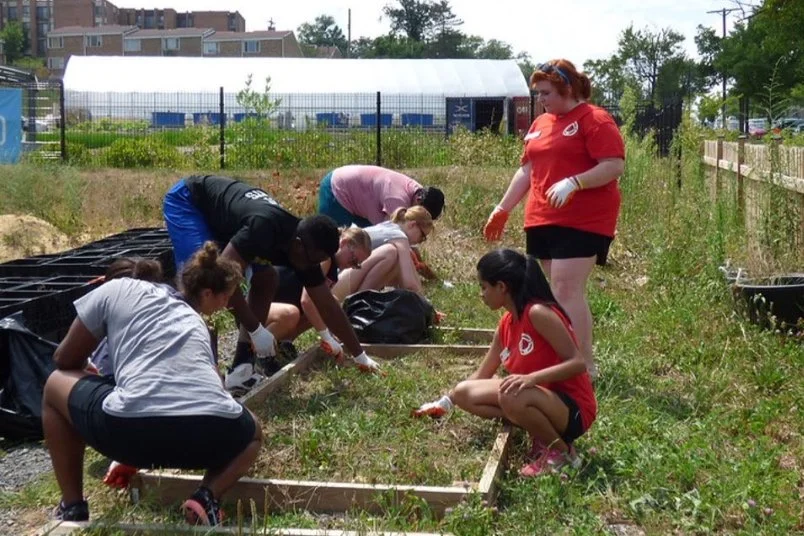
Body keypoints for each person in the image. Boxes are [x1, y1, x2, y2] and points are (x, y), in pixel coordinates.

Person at [42, 242, 262, 526]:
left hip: (124, 430)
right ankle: (207, 496)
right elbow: (212, 387)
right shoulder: (191, 318)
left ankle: (72, 507)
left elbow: (64, 358)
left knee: (53, 385)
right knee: (253, 432)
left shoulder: (112, 291)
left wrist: (88, 371)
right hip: (209, 435)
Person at [163, 175, 381, 394]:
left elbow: (327, 305)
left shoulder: (307, 250)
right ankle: (192, 375)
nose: (310, 267)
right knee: (203, 286)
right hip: (190, 201)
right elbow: (223, 277)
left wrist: (360, 355)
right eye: (310, 261)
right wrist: (256, 329)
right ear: (297, 245)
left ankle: (241, 368)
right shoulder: (263, 228)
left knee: (267, 278)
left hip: (228, 220)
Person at [483, 59, 625, 376]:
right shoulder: (540, 124)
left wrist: (576, 182)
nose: (542, 100)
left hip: (584, 219)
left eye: (546, 93)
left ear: (568, 89)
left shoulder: (595, 119)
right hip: (542, 218)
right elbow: (527, 169)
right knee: (554, 289)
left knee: (565, 287)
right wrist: (502, 208)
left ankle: (584, 365)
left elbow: (613, 165)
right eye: (539, 94)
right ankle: (563, 358)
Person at [414, 249, 596, 477]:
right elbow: (484, 372)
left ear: (501, 287)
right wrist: (445, 402)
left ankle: (562, 453)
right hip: (535, 397)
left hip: (573, 409)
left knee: (512, 394)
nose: (481, 294)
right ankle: (537, 429)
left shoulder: (538, 313)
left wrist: (532, 379)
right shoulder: (507, 322)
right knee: (464, 393)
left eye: (484, 287)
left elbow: (578, 363)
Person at [267, 226, 371, 358]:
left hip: (282, 308)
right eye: (353, 259)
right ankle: (258, 352)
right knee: (294, 313)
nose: (352, 265)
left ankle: (284, 341)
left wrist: (336, 336)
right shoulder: (325, 258)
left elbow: (325, 304)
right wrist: (326, 337)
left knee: (329, 303)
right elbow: (307, 300)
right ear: (344, 242)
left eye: (357, 265)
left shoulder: (333, 271)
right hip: (264, 309)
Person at [329, 206, 433, 301]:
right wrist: (424, 304)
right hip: (335, 284)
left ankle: (360, 302)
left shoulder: (389, 227)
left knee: (395, 259)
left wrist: (423, 299)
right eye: (422, 236)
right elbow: (409, 282)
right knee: (390, 253)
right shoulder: (399, 236)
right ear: (412, 225)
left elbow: (410, 275)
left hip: (337, 282)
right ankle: (359, 303)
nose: (421, 241)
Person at [318, 164, 445, 228]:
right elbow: (390, 235)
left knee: (366, 241)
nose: (419, 218)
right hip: (337, 189)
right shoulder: (397, 199)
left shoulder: (417, 190)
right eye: (421, 214)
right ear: (418, 200)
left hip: (357, 194)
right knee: (334, 242)